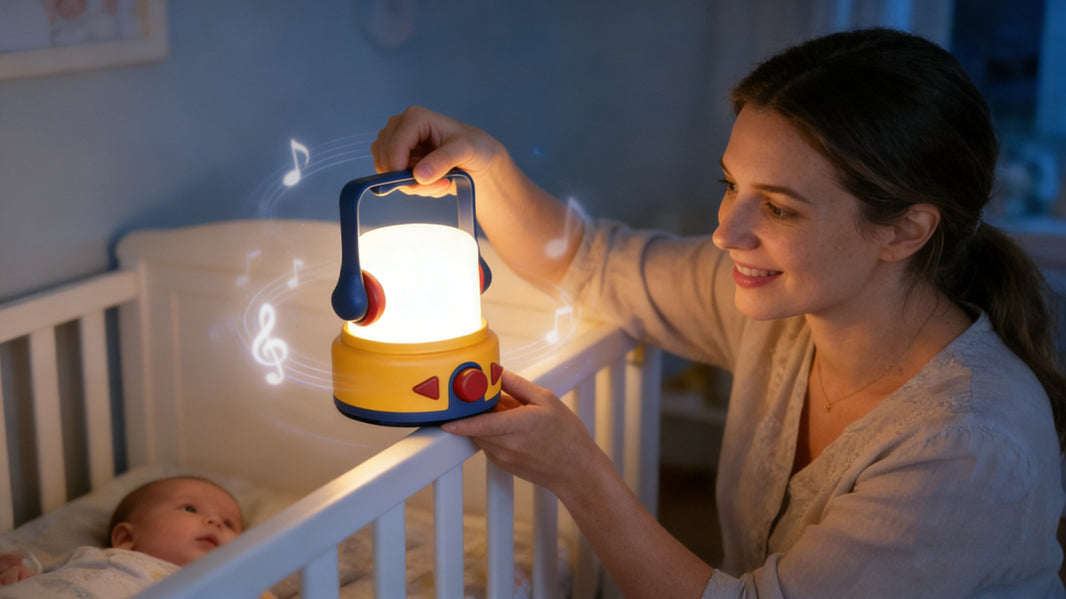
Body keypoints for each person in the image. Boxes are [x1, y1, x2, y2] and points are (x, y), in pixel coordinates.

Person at [370, 28, 1066, 598]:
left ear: (905, 231)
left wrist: (576, 469)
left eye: (781, 207)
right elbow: (593, 260)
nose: (726, 232)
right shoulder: (789, 307)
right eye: (731, 186)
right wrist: (487, 167)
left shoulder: (968, 444)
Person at [0, 476, 251, 598]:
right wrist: (20, 573)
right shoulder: (90, 556)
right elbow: (45, 571)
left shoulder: (228, 587)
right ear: (125, 538)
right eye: (190, 509)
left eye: (229, 523)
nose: (215, 522)